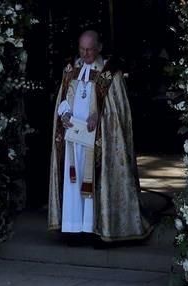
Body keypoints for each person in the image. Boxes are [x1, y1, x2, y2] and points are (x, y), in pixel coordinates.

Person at [48, 29, 150, 244]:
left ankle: (96, 228)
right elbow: (64, 98)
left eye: (90, 49)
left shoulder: (110, 73)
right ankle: (73, 228)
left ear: (99, 48)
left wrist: (100, 116)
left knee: (96, 180)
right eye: (82, 49)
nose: (85, 54)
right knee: (73, 181)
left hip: (98, 139)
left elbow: (118, 111)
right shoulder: (70, 69)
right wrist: (64, 114)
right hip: (73, 137)